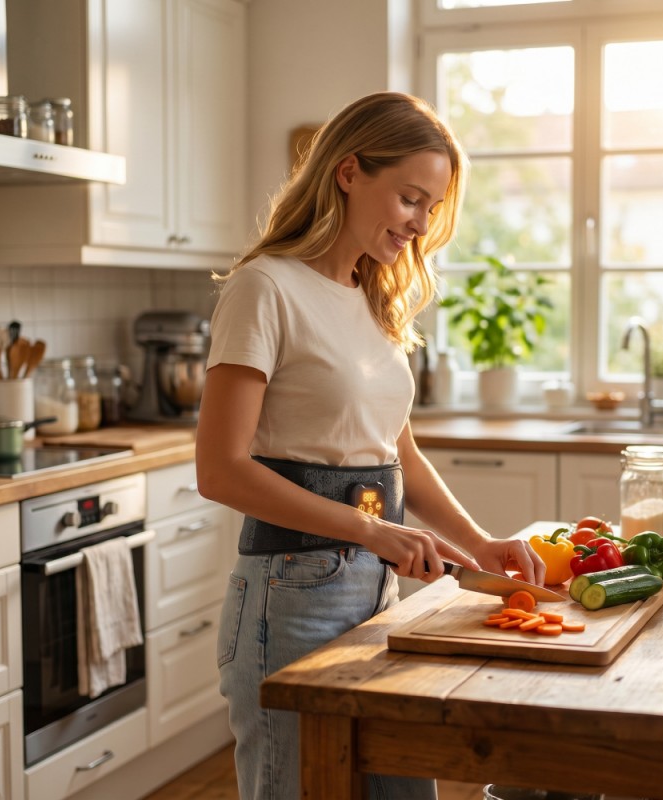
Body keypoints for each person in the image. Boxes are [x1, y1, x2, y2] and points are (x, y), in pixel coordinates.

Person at [195, 91, 547, 800]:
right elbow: (220, 469)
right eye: (410, 199)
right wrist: (370, 529)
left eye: (431, 208)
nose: (420, 225)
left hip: (375, 595)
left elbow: (400, 457)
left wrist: (479, 545)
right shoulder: (264, 288)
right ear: (349, 171)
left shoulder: (373, 298)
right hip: (289, 600)